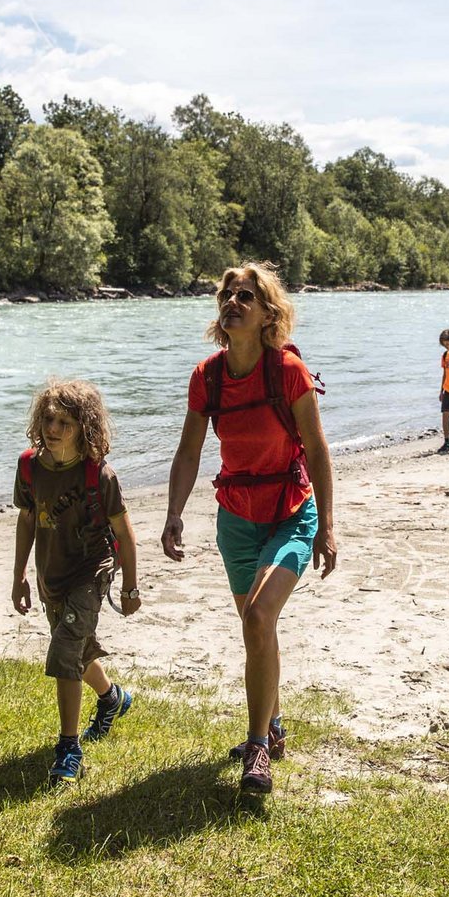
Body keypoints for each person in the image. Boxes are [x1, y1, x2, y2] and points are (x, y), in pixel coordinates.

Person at [161, 262, 337, 795]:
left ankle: (257, 746)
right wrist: (173, 513)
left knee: (259, 616)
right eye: (228, 295)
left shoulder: (287, 371)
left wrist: (326, 525)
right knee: (256, 627)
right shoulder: (207, 376)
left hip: (290, 510)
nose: (233, 302)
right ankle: (275, 726)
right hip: (235, 517)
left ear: (268, 315)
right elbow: (189, 451)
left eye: (246, 297)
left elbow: (319, 448)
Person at [11, 379, 142, 787]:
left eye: (65, 422)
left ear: (84, 427)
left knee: (64, 649)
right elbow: (27, 519)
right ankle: (112, 699)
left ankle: (68, 749)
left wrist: (130, 586)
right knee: (78, 651)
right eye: (49, 419)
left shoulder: (98, 473)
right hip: (51, 572)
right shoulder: (29, 467)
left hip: (92, 570)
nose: (54, 429)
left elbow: (124, 531)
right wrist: (18, 575)